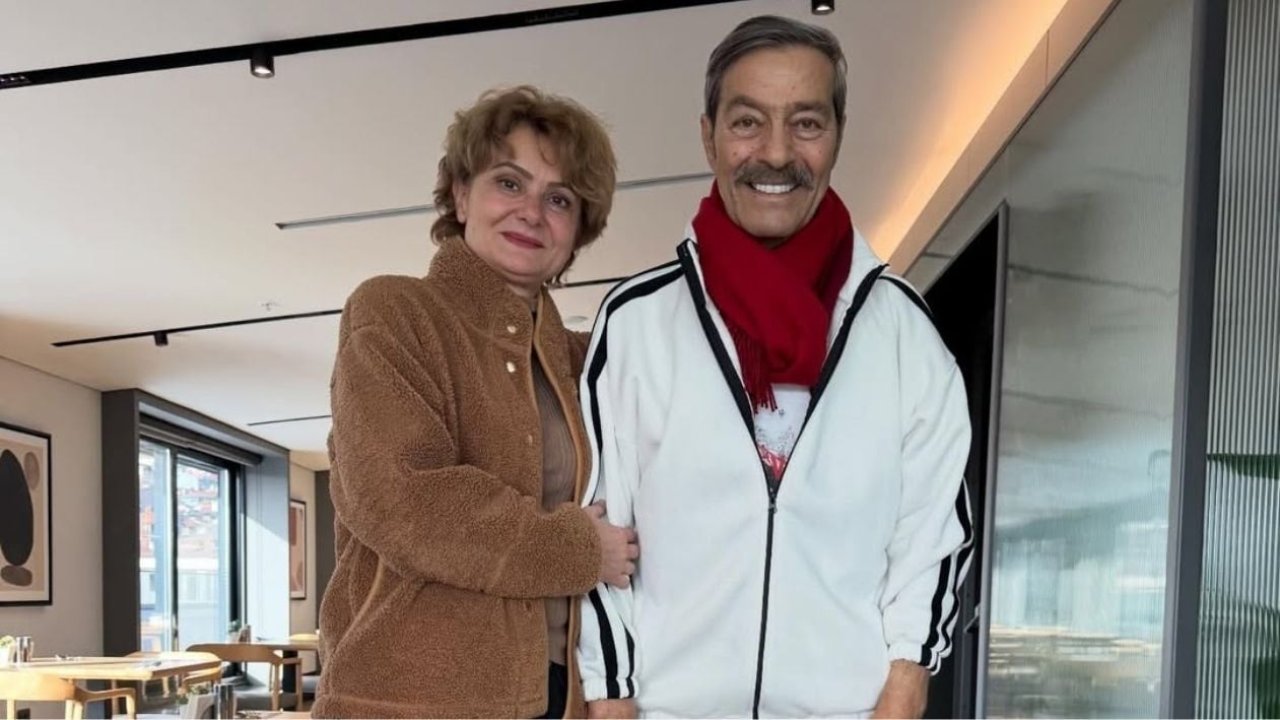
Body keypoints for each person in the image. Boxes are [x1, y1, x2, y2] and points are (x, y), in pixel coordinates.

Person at [577, 16, 974, 719]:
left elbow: (932, 531)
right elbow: (599, 526)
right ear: (709, 137)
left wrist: (907, 680)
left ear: (838, 136)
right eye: (747, 123)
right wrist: (611, 696)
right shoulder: (637, 322)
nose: (777, 152)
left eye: (807, 123)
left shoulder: (903, 332)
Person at [313, 85, 639, 719]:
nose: (531, 212)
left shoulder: (586, 360)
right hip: (412, 700)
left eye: (559, 199)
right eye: (508, 183)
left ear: (579, 229)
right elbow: (402, 499)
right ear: (461, 195)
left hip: (560, 696)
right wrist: (579, 551)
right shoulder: (395, 312)